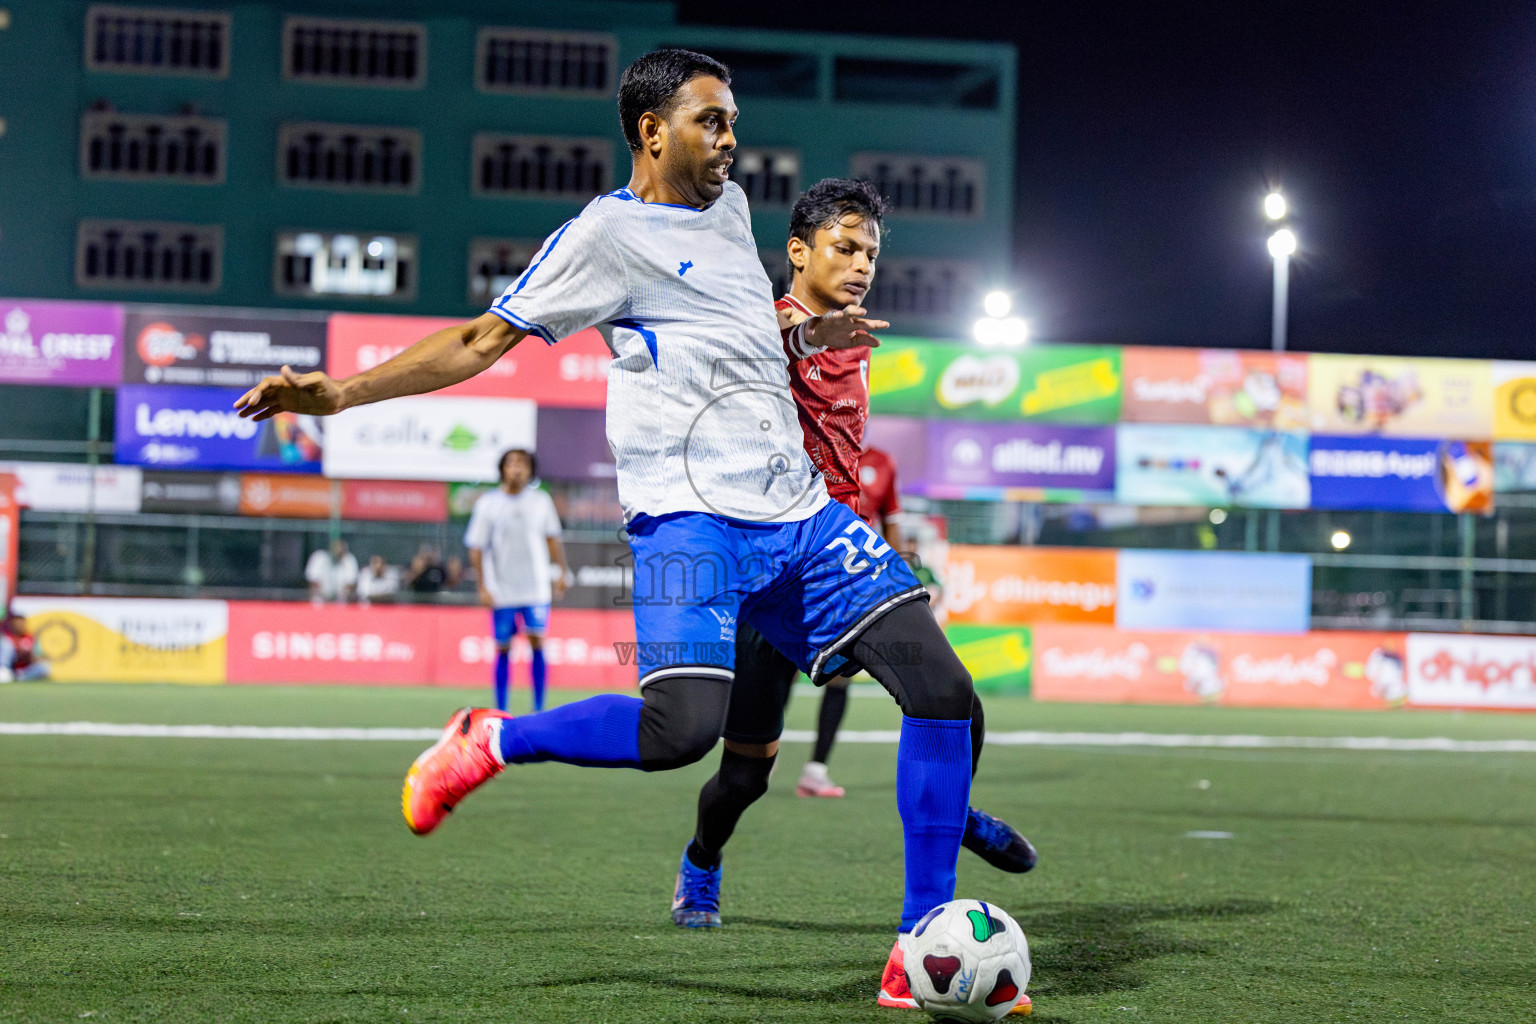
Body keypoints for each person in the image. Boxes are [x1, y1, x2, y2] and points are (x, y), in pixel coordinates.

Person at [234, 49, 1008, 1011]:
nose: (731, 140)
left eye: (731, 121)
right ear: (652, 132)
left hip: (799, 512)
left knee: (943, 689)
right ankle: (494, 737)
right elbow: (481, 340)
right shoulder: (603, 236)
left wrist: (807, 339)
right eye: (710, 122)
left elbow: (729, 333)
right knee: (682, 733)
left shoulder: (727, 211)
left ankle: (915, 945)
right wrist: (341, 392)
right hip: (689, 521)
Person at [669, 180, 1034, 1010]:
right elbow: (747, 346)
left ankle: (923, 915)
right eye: (844, 246)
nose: (862, 263)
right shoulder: (769, 327)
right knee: (745, 776)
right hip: (772, 574)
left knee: (953, 696)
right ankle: (702, 860)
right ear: (797, 252)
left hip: (845, 560)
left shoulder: (858, 339)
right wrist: (800, 331)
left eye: (871, 250)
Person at [795, 442, 905, 797]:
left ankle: (816, 769)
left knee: (842, 673)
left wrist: (897, 576)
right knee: (777, 670)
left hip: (850, 582)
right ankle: (763, 750)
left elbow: (892, 525)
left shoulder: (882, 461)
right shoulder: (807, 447)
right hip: (798, 574)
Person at [464, 448, 570, 713]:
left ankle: (539, 708)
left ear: (530, 470)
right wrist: (483, 585)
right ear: (502, 469)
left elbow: (553, 538)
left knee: (537, 642)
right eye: (511, 463)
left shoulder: (541, 501)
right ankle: (501, 709)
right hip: (503, 591)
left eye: (523, 463)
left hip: (535, 588)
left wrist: (562, 571)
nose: (517, 468)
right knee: (503, 647)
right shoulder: (488, 503)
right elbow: (476, 547)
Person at [0, 608, 48, 683]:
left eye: (21, 624)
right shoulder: (7, 638)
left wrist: (31, 654)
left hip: (25, 669)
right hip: (11, 667)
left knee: (44, 668)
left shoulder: (31, 638)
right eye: (17, 624)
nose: (19, 626)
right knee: (6, 645)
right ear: (12, 625)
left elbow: (38, 658)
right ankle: (4, 671)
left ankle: (19, 677)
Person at [304, 539, 357, 604]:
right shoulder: (319, 557)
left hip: (340, 600)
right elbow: (313, 580)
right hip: (320, 598)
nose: (338, 550)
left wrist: (337, 596)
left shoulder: (348, 560)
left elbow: (351, 583)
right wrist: (325, 595)